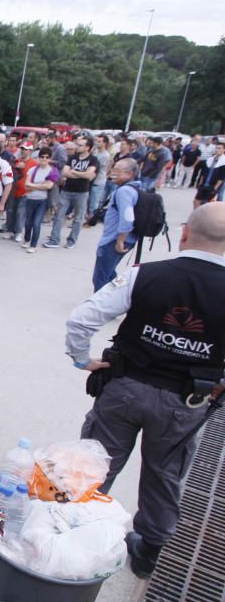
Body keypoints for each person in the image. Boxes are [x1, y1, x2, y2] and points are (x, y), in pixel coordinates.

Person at [65, 202, 225, 579]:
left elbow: (81, 319)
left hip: (125, 388)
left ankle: (72, 531)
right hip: (186, 401)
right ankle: (148, 551)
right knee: (165, 473)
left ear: (185, 233)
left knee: (95, 463)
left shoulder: (145, 274)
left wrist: (82, 359)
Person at [91, 159, 140, 291]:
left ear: (129, 174)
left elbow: (128, 218)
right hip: (123, 239)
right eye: (114, 169)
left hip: (114, 241)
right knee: (110, 273)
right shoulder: (134, 188)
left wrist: (120, 240)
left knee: (100, 278)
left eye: (118, 170)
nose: (113, 172)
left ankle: (100, 307)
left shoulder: (124, 191)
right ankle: (123, 290)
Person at [44, 136, 98, 250]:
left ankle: (71, 240)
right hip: (67, 190)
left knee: (78, 218)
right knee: (59, 215)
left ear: (87, 147)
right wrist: (81, 173)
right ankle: (54, 239)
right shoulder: (72, 157)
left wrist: (73, 172)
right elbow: (64, 172)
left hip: (82, 192)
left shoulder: (93, 160)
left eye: (80, 145)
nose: (77, 147)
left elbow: (89, 175)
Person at [21, 146, 59, 253]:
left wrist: (34, 185)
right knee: (28, 222)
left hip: (43, 200)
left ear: (50, 159)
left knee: (36, 223)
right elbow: (26, 185)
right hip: (30, 199)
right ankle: (27, 239)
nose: (44, 159)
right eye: (42, 157)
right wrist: (41, 184)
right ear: (39, 158)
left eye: (47, 157)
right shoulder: (32, 170)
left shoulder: (52, 171)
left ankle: (33, 245)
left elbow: (49, 186)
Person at [5, 142, 36, 244]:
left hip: (25, 192)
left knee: (20, 212)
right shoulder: (16, 161)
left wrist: (31, 189)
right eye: (22, 149)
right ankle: (10, 230)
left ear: (30, 151)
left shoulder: (34, 163)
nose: (23, 151)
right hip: (14, 190)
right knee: (11, 211)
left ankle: (18, 232)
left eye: (26, 149)